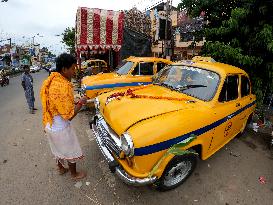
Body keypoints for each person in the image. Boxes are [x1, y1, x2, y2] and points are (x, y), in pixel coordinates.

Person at [40, 53, 87, 180]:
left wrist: (73, 101)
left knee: (57, 149)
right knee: (71, 149)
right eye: (72, 68)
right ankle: (74, 174)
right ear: (64, 69)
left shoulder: (51, 80)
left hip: (49, 124)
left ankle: (61, 169)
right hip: (60, 127)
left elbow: (57, 103)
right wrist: (82, 102)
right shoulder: (63, 86)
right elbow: (69, 116)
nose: (74, 72)